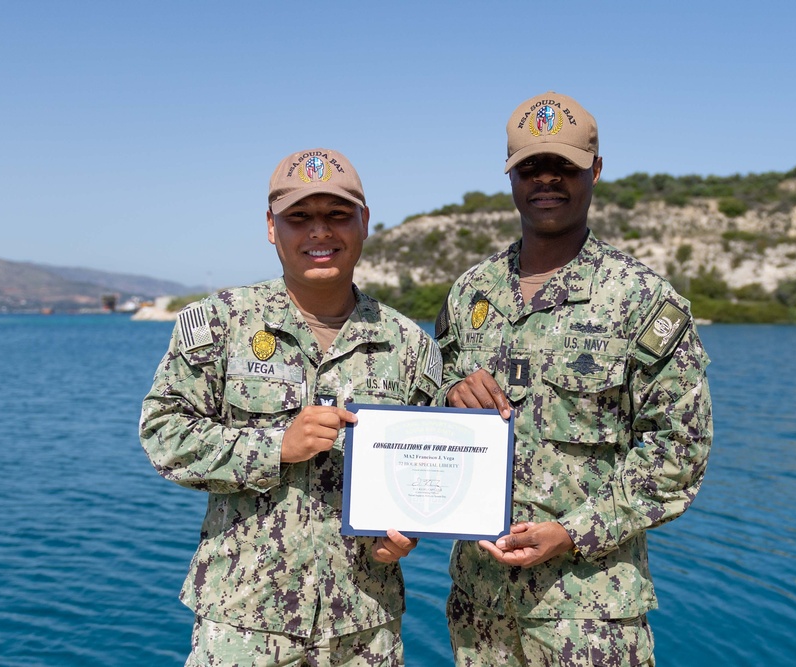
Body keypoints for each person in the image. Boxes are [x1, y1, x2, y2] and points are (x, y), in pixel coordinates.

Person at [434, 92, 713, 666]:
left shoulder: (641, 301)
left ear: (596, 171)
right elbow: (427, 403)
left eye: (565, 166)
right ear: (511, 176)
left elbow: (680, 451)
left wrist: (574, 531)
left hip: (589, 612)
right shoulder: (471, 293)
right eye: (531, 167)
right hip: (479, 607)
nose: (547, 181)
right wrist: (449, 394)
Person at [140, 147, 442, 666]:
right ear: (271, 227)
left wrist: (408, 529)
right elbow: (163, 436)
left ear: (364, 223)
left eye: (337, 215)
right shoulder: (221, 323)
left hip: (363, 624)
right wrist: (275, 446)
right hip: (243, 620)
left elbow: (425, 467)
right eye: (299, 217)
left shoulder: (409, 344)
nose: (319, 232)